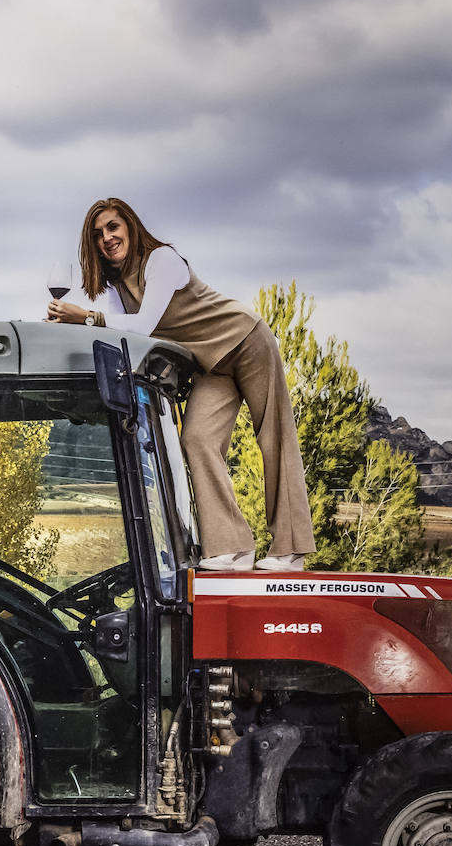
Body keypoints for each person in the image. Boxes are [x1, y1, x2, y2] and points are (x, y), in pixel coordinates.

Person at [46, 198, 315, 572]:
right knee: (197, 439)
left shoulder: (162, 260)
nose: (107, 238)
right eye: (97, 234)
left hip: (243, 339)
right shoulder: (113, 284)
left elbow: (140, 325)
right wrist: (62, 323)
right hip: (209, 363)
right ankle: (232, 546)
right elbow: (112, 327)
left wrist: (87, 318)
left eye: (112, 227)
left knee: (273, 434)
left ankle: (291, 549)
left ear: (130, 226)